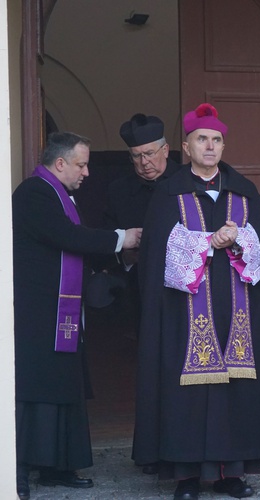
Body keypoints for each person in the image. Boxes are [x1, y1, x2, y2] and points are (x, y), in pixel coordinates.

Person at [133, 103, 260, 500]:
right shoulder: (169, 194)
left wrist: (241, 239)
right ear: (186, 147)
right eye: (202, 139)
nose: (211, 146)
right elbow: (155, 254)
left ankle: (231, 474)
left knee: (236, 390)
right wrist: (205, 242)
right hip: (184, 316)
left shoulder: (244, 192)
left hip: (239, 314)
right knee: (187, 395)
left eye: (217, 140)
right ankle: (186, 477)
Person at [13, 132, 141, 499]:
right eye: (82, 164)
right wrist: (121, 238)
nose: (86, 172)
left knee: (62, 384)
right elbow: (67, 236)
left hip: (60, 310)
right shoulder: (34, 193)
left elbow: (77, 242)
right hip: (37, 311)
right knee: (35, 390)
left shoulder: (58, 195)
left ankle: (56, 467)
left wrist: (118, 254)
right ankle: (20, 469)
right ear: (60, 163)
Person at [99, 114, 181, 335]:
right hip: (135, 289)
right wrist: (125, 257)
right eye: (137, 156)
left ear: (165, 150)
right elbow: (106, 237)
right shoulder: (118, 191)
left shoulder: (185, 182)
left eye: (150, 153)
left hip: (182, 290)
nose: (144, 162)